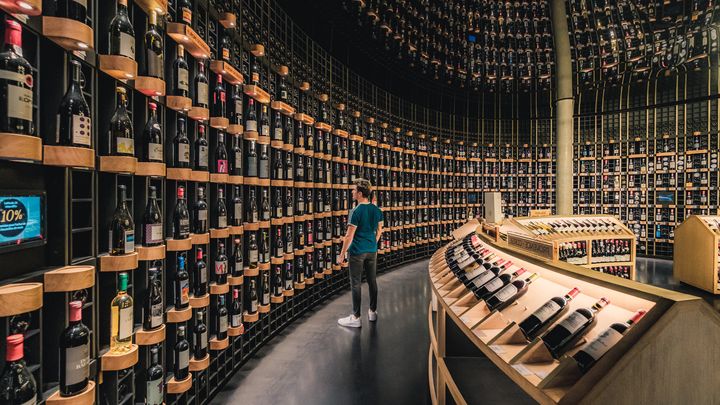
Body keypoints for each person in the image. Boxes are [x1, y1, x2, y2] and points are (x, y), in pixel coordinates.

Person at [337, 178, 384, 328]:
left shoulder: (355, 212)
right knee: (372, 281)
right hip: (372, 251)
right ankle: (372, 312)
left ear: (360, 193)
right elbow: (379, 230)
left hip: (357, 252)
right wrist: (373, 242)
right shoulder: (377, 210)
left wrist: (342, 253)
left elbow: (349, 236)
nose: (352, 192)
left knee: (356, 283)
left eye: (354, 190)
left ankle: (356, 317)